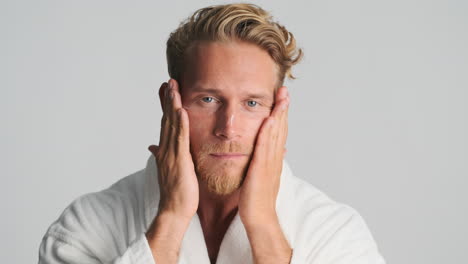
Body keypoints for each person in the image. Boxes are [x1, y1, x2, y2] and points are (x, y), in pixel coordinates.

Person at [39, 3, 386, 264]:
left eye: (252, 103)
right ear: (169, 102)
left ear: (279, 112)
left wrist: (263, 223)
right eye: (208, 99)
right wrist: (171, 219)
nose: (228, 128)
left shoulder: (337, 235)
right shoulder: (87, 226)